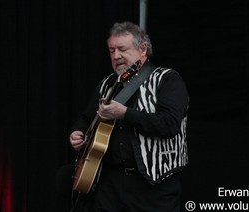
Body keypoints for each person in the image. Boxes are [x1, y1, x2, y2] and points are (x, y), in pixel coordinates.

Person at [69, 21, 189, 212]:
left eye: (122, 49)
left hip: (154, 185)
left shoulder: (167, 79)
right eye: (111, 51)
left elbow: (169, 125)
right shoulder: (106, 84)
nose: (116, 56)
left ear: (143, 49)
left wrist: (125, 113)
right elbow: (86, 118)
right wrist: (78, 132)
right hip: (110, 184)